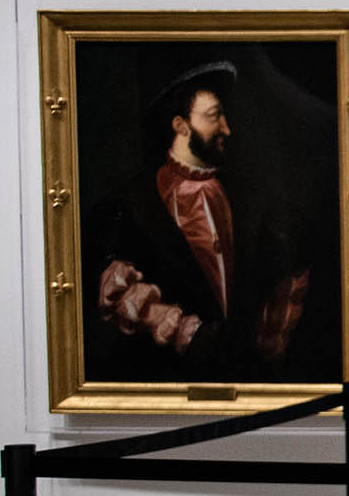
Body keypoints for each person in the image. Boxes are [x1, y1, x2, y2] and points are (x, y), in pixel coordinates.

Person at [85, 60, 315, 381]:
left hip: (243, 380)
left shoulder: (249, 199)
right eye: (213, 117)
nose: (226, 128)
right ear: (180, 125)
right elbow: (110, 297)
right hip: (162, 383)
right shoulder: (131, 204)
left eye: (223, 116)